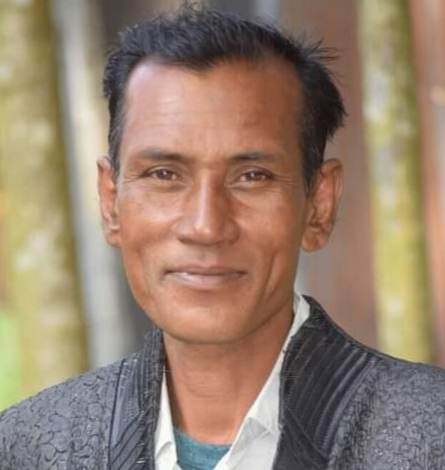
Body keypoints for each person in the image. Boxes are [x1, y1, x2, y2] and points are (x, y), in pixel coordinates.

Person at [1, 4, 445, 470]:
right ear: (111, 201)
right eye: (164, 174)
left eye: (252, 176)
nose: (206, 226)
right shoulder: (27, 448)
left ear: (319, 204)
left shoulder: (429, 437)